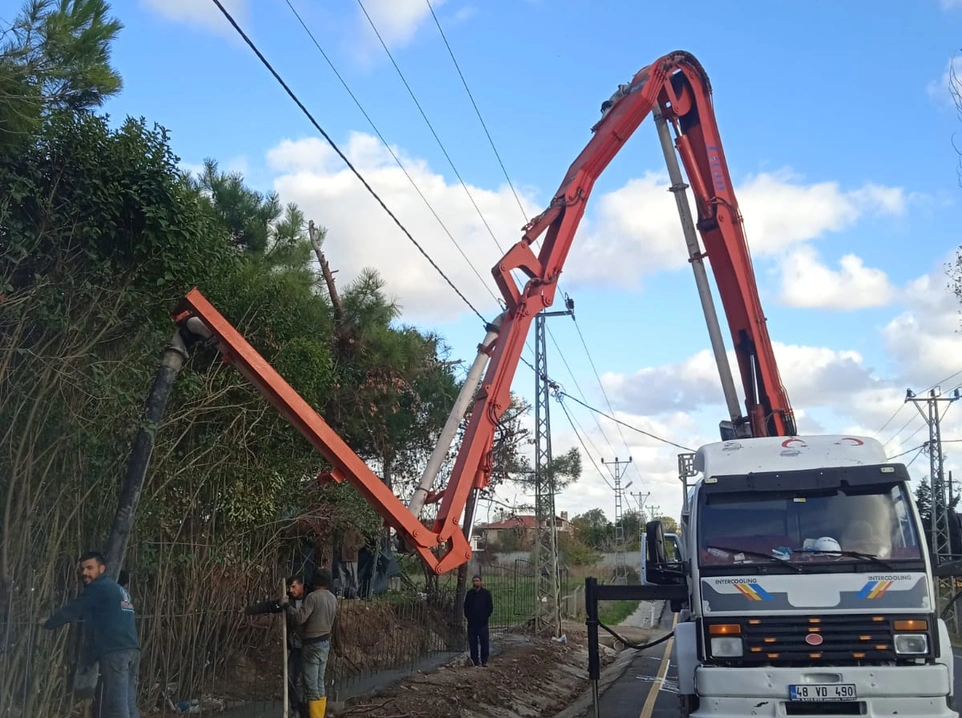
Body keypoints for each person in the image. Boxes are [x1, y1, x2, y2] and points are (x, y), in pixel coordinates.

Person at [42, 552, 140, 718]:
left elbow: (73, 610)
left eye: (90, 568)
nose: (85, 573)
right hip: (131, 650)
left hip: (115, 652)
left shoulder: (98, 587)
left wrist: (48, 623)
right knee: (128, 702)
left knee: (117, 707)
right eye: (82, 569)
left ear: (102, 569)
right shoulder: (118, 589)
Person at [244, 576, 309, 718]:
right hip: (296, 648)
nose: (291, 590)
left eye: (293, 586)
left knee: (309, 681)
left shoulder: (311, 599)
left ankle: (310, 710)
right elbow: (270, 606)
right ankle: (297, 709)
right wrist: (248, 610)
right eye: (289, 587)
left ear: (301, 585)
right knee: (290, 678)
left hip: (310, 647)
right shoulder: (288, 601)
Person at [282, 569, 337, 718]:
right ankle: (320, 714)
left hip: (311, 644)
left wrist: (287, 607)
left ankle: (315, 716)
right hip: (325, 642)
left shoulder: (312, 597)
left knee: (311, 685)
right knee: (319, 682)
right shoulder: (332, 598)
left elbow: (300, 618)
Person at [463, 574, 493, 667]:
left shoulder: (486, 593)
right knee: (473, 643)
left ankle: (484, 661)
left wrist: (485, 616)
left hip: (482, 623)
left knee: (484, 642)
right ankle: (474, 660)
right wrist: (468, 617)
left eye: (477, 581)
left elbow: (490, 607)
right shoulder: (470, 593)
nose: (476, 582)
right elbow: (466, 606)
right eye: (474, 581)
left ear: (481, 582)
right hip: (472, 623)